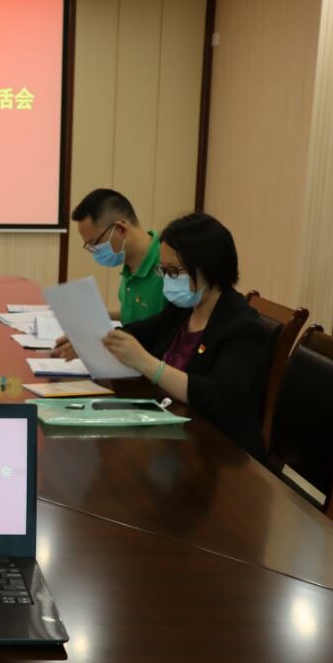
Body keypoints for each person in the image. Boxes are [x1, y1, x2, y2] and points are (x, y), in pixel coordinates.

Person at [100, 212, 269, 460]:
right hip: (171, 436)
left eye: (173, 271)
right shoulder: (183, 310)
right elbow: (140, 332)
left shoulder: (243, 327)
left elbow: (221, 398)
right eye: (163, 271)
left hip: (218, 455)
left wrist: (148, 364)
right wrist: (101, 339)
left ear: (208, 269)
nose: (167, 280)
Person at [72, 188, 165, 325]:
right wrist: (101, 315)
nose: (93, 251)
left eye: (94, 243)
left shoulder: (169, 265)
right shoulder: (129, 263)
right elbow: (134, 316)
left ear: (121, 229)